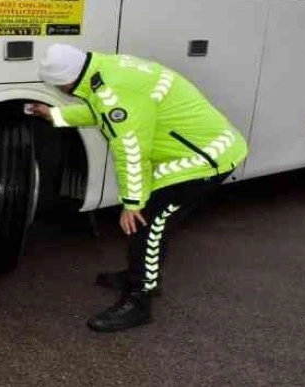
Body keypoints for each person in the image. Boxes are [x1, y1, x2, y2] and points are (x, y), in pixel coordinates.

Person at [28, 44, 248, 332]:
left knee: (147, 222)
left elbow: (131, 150)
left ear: (66, 80)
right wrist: (57, 116)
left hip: (206, 157)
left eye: (58, 85)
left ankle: (139, 300)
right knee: (151, 220)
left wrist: (132, 204)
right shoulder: (104, 70)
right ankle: (140, 272)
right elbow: (105, 112)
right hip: (198, 150)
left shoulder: (113, 92)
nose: (59, 89)